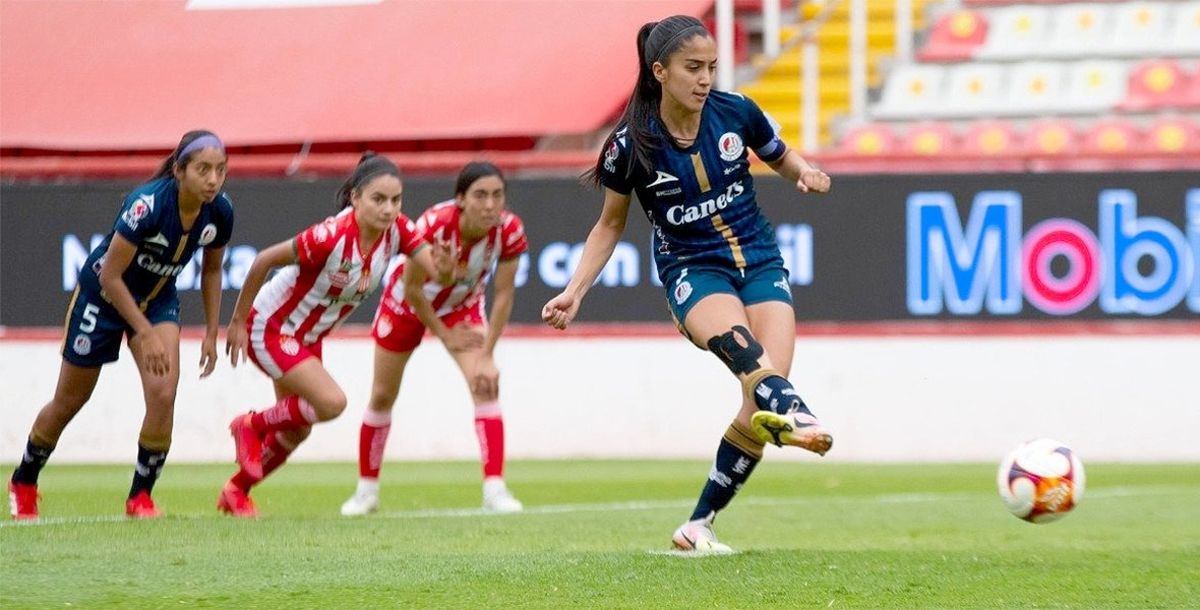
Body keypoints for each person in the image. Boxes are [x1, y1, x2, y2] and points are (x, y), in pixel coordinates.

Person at [541, 16, 834, 553]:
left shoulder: (737, 111)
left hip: (760, 261)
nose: (705, 79)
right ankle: (799, 413)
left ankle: (698, 525)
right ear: (660, 71)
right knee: (753, 363)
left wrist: (804, 172)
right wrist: (575, 289)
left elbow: (779, 154)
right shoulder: (630, 145)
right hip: (693, 270)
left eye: (711, 68)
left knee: (760, 395)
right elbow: (609, 225)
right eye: (693, 68)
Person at [7, 130, 234, 520]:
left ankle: (140, 497)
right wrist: (144, 332)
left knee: (163, 392)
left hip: (157, 298)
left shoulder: (220, 211)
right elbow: (111, 276)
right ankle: (24, 480)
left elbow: (212, 270)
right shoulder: (146, 206)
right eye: (203, 170)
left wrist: (213, 333)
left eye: (220, 170)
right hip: (103, 298)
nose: (213, 179)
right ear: (179, 171)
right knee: (70, 400)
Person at [218, 152, 453, 518]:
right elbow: (264, 259)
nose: (389, 209)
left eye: (396, 200)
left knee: (297, 431)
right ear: (355, 198)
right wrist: (235, 322)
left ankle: (236, 491)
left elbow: (435, 273)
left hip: (307, 338)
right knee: (331, 403)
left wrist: (446, 267)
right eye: (378, 199)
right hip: (270, 327)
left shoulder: (397, 231)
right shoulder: (330, 237)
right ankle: (249, 425)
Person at [340, 161, 528, 517]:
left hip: (462, 305)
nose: (490, 205)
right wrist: (443, 334)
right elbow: (412, 288)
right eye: (480, 195)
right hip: (406, 305)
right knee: (382, 394)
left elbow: (504, 295)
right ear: (461, 199)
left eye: (497, 195)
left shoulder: (510, 230)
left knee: (485, 383)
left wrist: (488, 354)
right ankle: (366, 492)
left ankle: (495, 490)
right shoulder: (433, 224)